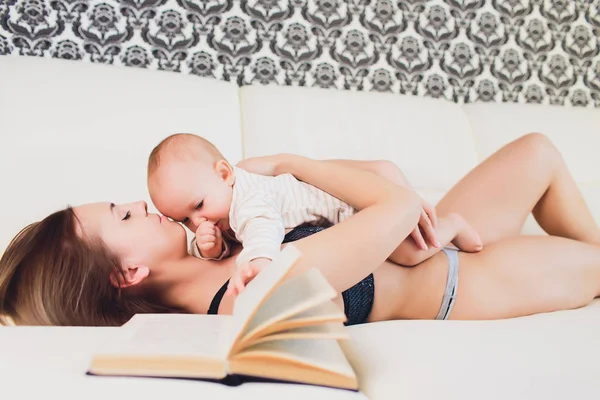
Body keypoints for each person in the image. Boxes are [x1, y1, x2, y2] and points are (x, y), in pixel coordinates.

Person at [1, 133, 600, 327]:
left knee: (537, 151)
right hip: (467, 283)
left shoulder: (225, 234)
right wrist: (289, 166)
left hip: (438, 232)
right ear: (126, 273)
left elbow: (385, 178)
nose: (140, 203)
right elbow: (391, 204)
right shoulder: (250, 290)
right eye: (124, 215)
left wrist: (258, 191)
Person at [146, 133, 482, 295]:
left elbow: (261, 227)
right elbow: (231, 237)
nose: (198, 223)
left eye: (199, 207)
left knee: (409, 254)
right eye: (185, 220)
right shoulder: (219, 203)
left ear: (224, 174)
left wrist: (259, 261)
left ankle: (452, 224)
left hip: (345, 207)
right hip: (335, 205)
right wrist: (213, 247)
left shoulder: (248, 199)